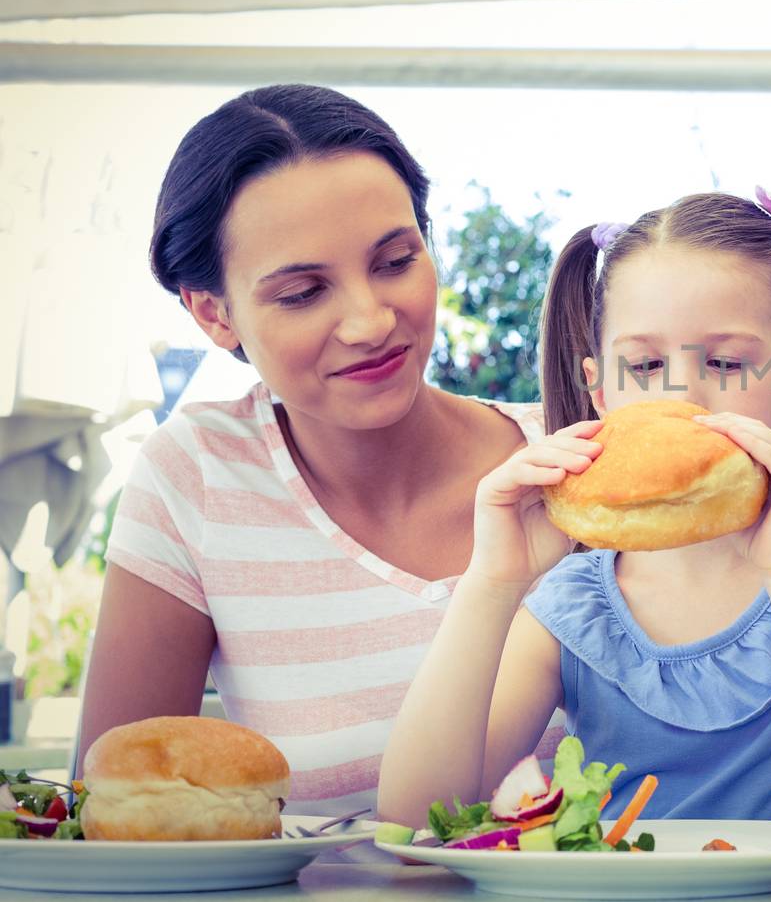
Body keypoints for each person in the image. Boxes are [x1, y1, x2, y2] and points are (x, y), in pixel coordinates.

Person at [377, 190, 771, 833]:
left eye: (725, 363)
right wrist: (491, 584)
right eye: (644, 365)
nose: (680, 394)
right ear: (602, 391)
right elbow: (415, 819)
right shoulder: (571, 606)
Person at [80, 85, 547, 815]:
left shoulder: (573, 459)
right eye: (302, 292)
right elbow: (115, 810)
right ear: (214, 312)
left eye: (396, 261)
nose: (369, 320)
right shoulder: (197, 474)